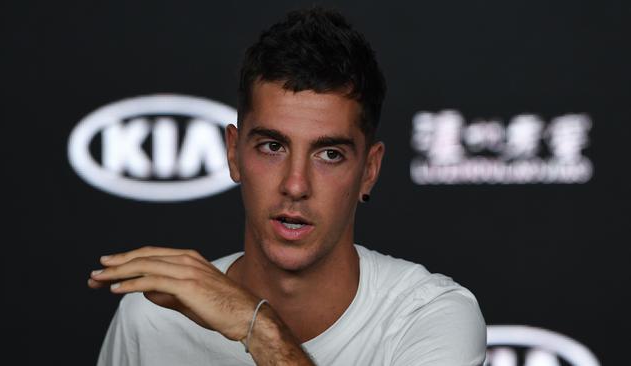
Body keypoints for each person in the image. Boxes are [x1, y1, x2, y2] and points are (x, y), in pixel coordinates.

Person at [88, 7, 486, 366]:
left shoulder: (428, 315)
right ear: (233, 153)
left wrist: (258, 327)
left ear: (369, 169)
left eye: (329, 154)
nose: (295, 185)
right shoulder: (154, 318)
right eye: (272, 146)